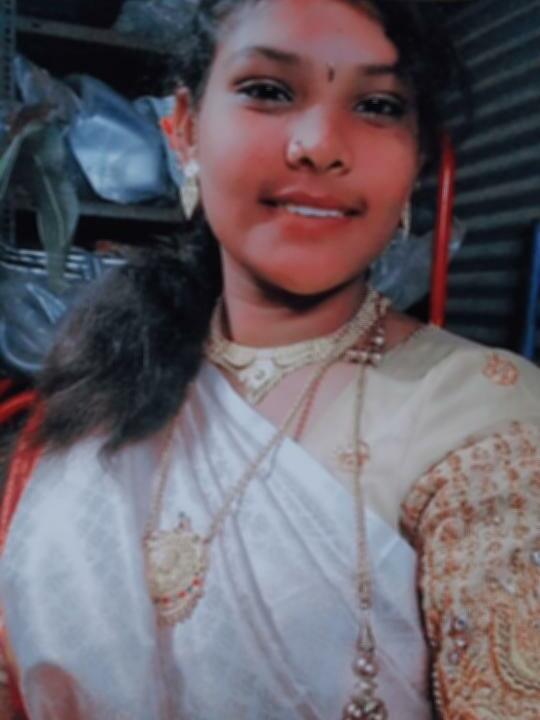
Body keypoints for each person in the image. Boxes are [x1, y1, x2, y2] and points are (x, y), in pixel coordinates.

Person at [1, 0, 539, 718]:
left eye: (378, 105)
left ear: (416, 160)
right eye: (268, 90)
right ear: (184, 130)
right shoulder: (102, 381)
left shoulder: (482, 418)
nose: (319, 145)